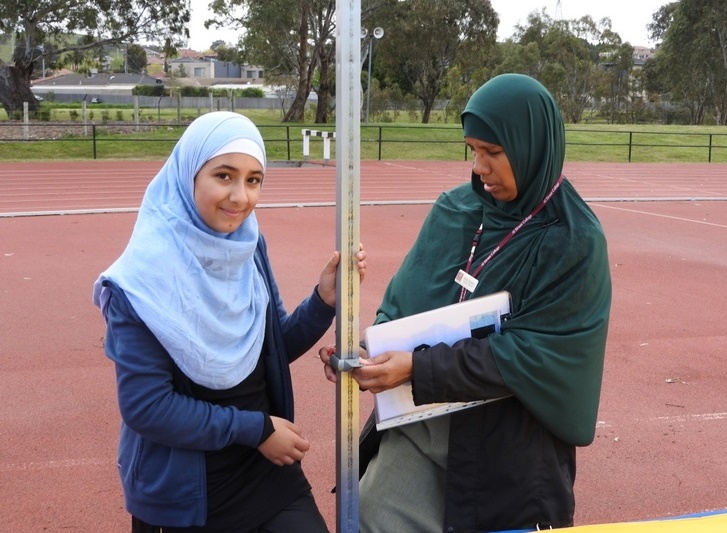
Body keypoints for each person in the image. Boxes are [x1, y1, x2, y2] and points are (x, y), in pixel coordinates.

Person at [321, 73, 612, 532]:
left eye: (493, 152)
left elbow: (533, 355)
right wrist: (370, 351)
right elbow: (404, 297)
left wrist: (417, 368)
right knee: (371, 516)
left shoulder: (573, 241)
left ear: (531, 144)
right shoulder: (455, 209)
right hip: (419, 421)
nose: (479, 167)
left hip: (506, 447)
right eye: (473, 149)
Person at [93, 111, 366, 532]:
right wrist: (255, 429)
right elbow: (147, 408)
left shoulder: (248, 247)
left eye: (254, 180)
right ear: (190, 176)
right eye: (224, 176)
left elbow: (270, 347)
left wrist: (323, 300)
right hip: (187, 490)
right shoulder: (139, 280)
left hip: (264, 469)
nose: (240, 196)